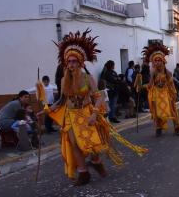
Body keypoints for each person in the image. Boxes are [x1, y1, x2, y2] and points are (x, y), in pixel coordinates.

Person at [44, 29, 147, 186]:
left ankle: (96, 162)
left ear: (80, 62)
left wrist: (94, 114)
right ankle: (83, 173)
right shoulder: (64, 79)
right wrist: (48, 109)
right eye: (69, 61)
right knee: (75, 144)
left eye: (74, 61)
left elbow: (98, 97)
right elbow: (62, 99)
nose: (71, 64)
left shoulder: (87, 78)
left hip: (86, 113)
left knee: (93, 144)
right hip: (71, 116)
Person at [142, 42, 179, 136]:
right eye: (155, 61)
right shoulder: (153, 72)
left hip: (166, 93)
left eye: (159, 60)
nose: (157, 62)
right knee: (156, 112)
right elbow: (150, 84)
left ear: (163, 61)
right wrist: (141, 86)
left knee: (172, 110)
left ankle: (177, 127)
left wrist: (174, 93)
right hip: (157, 94)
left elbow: (171, 83)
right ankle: (158, 128)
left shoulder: (167, 72)